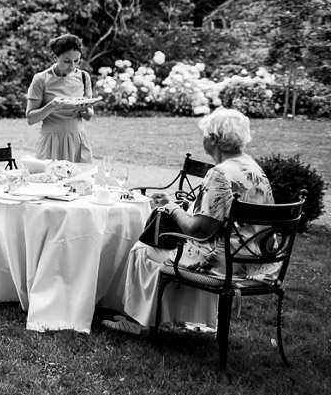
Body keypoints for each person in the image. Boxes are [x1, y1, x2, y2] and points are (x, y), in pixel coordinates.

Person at [105, 108, 274, 335]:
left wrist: (171, 208)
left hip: (224, 264)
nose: (203, 139)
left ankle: (141, 324)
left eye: (205, 134)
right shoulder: (254, 169)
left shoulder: (220, 173)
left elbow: (198, 231)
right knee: (164, 249)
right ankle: (181, 318)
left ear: (214, 139)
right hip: (254, 259)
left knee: (142, 250)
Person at [25, 33, 95, 164]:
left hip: (78, 141)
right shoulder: (41, 79)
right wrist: (52, 105)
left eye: (77, 61)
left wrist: (84, 109)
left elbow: (89, 115)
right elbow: (30, 118)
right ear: (54, 57)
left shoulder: (84, 77)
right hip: (51, 142)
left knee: (80, 183)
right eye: (67, 61)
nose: (72, 66)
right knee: (50, 182)